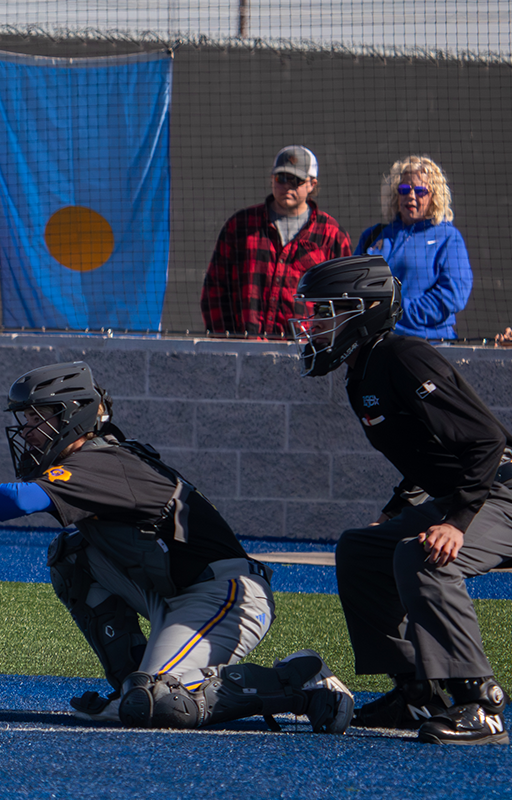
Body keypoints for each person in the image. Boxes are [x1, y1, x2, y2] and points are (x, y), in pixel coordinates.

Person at [0, 360, 354, 733]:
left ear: (71, 415)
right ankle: (130, 684)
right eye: (27, 419)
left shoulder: (103, 459)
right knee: (73, 555)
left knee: (160, 704)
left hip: (226, 597)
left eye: (38, 418)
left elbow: (17, 500)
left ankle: (301, 681)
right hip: (174, 590)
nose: (29, 430)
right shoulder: (96, 458)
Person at [294, 255, 509, 745]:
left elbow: (487, 440)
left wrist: (455, 520)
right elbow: (424, 454)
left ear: (364, 311)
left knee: (424, 555)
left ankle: (480, 701)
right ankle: (417, 691)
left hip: (500, 492)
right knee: (360, 549)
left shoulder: (404, 356)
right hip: (474, 492)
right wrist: (394, 512)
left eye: (327, 312)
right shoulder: (362, 371)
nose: (315, 325)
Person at [199, 145, 351, 338]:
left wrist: (322, 341)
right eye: (281, 179)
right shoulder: (241, 226)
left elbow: (343, 300)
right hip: (243, 349)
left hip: (306, 351)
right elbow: (215, 289)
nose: (287, 186)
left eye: (295, 180)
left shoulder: (331, 234)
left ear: (312, 184)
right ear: (272, 179)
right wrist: (226, 340)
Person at [356, 156, 470, 341]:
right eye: (404, 189)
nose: (411, 196)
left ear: (434, 195)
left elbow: (452, 296)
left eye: (420, 191)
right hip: (375, 344)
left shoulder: (448, 237)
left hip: (427, 345)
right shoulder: (372, 236)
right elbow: (352, 284)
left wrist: (395, 313)